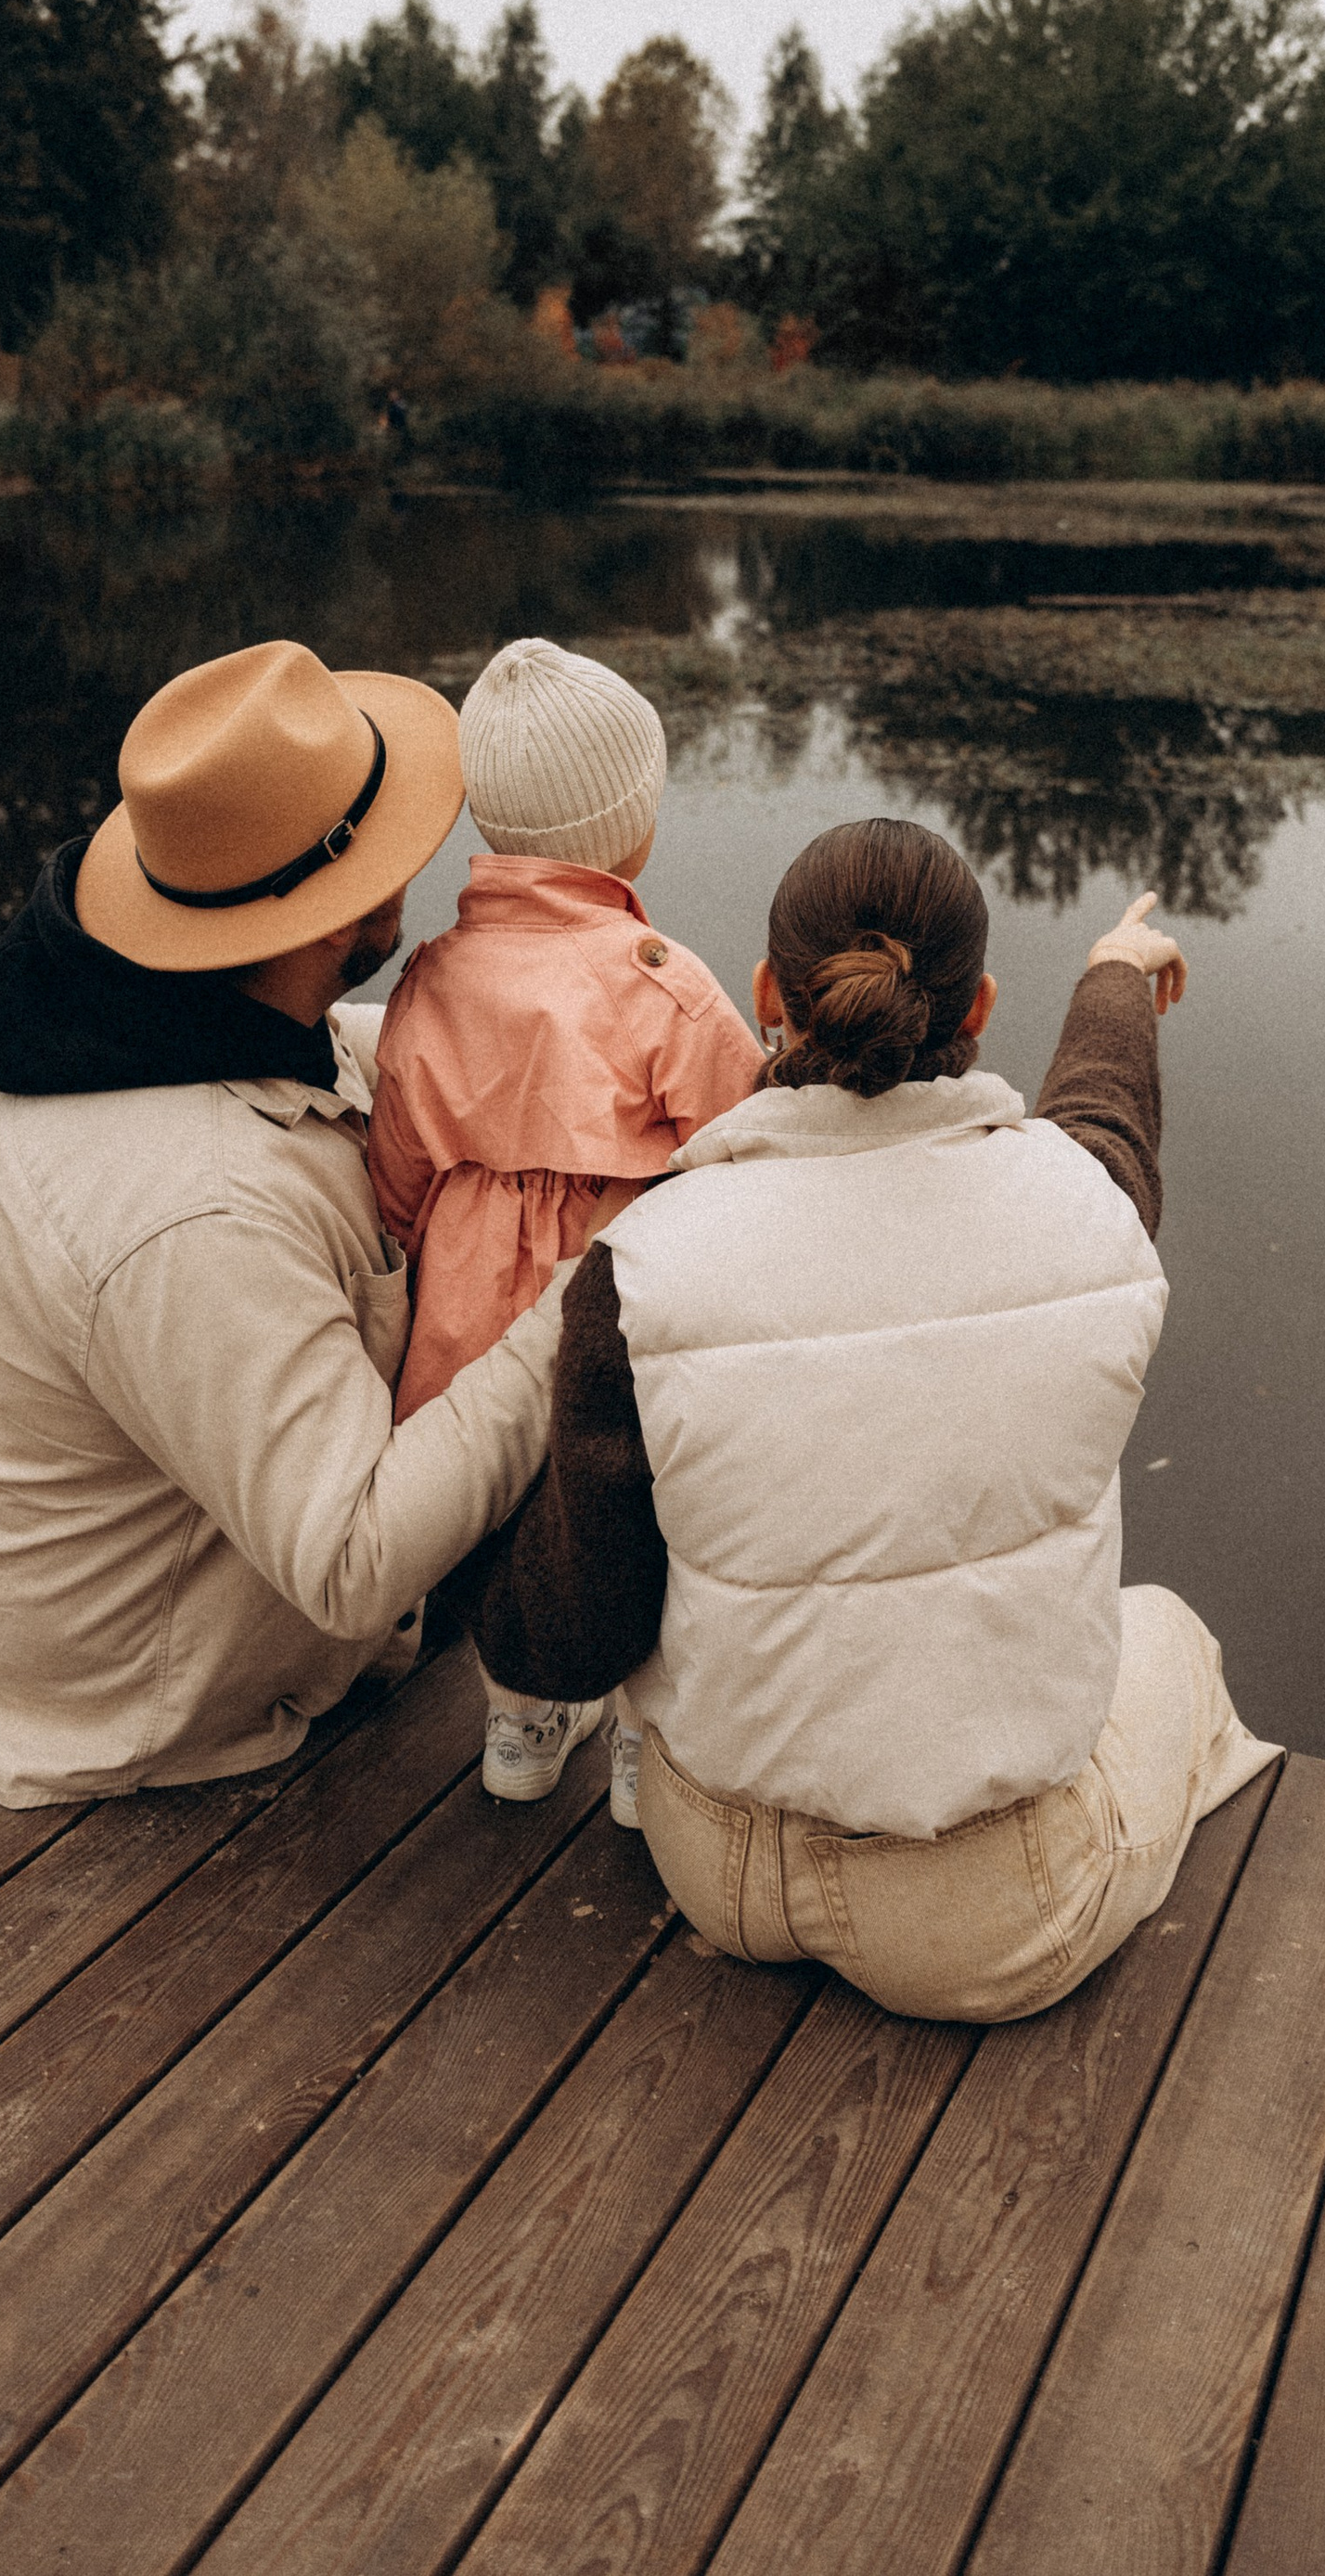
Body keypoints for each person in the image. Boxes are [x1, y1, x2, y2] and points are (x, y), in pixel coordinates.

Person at [473, 815, 1278, 2023]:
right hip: (985, 1922)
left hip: (722, 1876)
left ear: (766, 996)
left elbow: (573, 1639)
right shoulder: (1082, 1209)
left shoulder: (640, 1265)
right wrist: (1116, 970)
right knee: (1170, 1635)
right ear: (981, 1004)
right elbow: (1109, 1127)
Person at [0, 638, 574, 1810]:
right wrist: (597, 1282)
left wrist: (511, 1036)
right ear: (344, 906)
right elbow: (350, 1565)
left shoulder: (100, 1010)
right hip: (112, 1693)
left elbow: (305, 1064)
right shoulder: (194, 1211)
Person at [369, 637, 761, 1818]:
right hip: (617, 1315)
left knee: (507, 1532)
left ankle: (521, 1724)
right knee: (642, 1515)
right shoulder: (665, 983)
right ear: (632, 827)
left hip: (466, 1324)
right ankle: (648, 1736)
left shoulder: (432, 976)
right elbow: (745, 1150)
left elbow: (395, 1170)